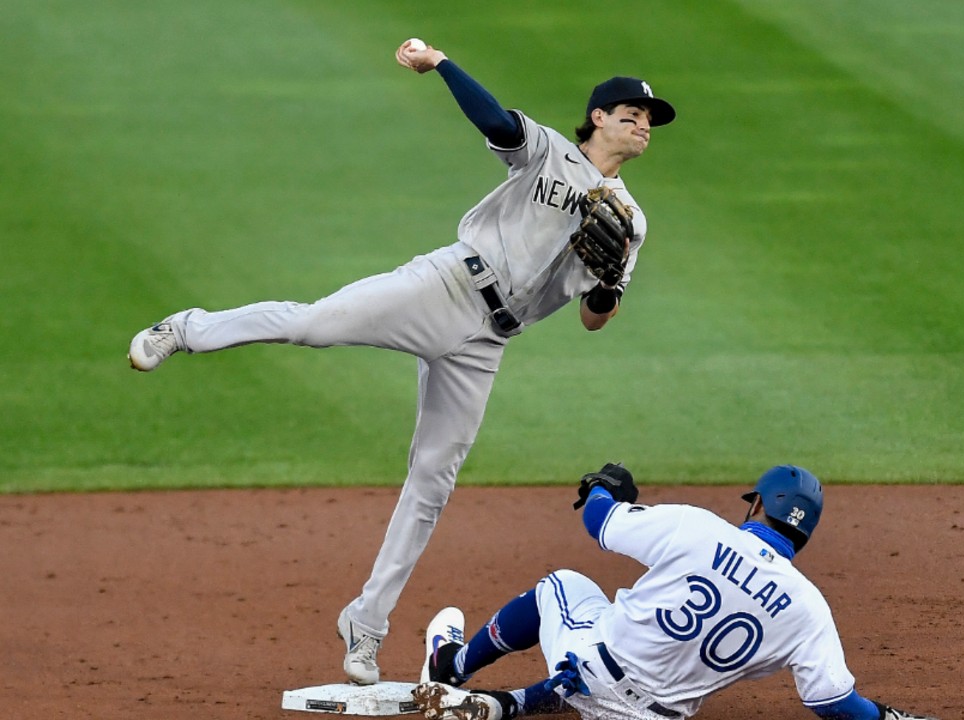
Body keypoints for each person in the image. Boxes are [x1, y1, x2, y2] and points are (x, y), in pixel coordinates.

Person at [126, 37, 676, 685]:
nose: (643, 123)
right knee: (315, 324)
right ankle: (189, 329)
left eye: (649, 118)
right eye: (630, 112)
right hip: (448, 286)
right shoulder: (550, 150)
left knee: (432, 481)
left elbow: (593, 318)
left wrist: (608, 284)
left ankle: (366, 623)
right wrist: (441, 63)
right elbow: (496, 120)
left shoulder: (631, 220)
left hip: (487, 343)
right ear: (599, 118)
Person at [411, 463, 941, 720]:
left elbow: (601, 523)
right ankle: (524, 701)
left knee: (562, 586)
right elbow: (833, 702)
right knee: (625, 661)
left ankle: (450, 667)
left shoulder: (699, 527)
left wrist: (603, 486)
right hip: (658, 718)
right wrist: (888, 718)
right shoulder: (809, 609)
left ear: (759, 507)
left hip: (599, 673)